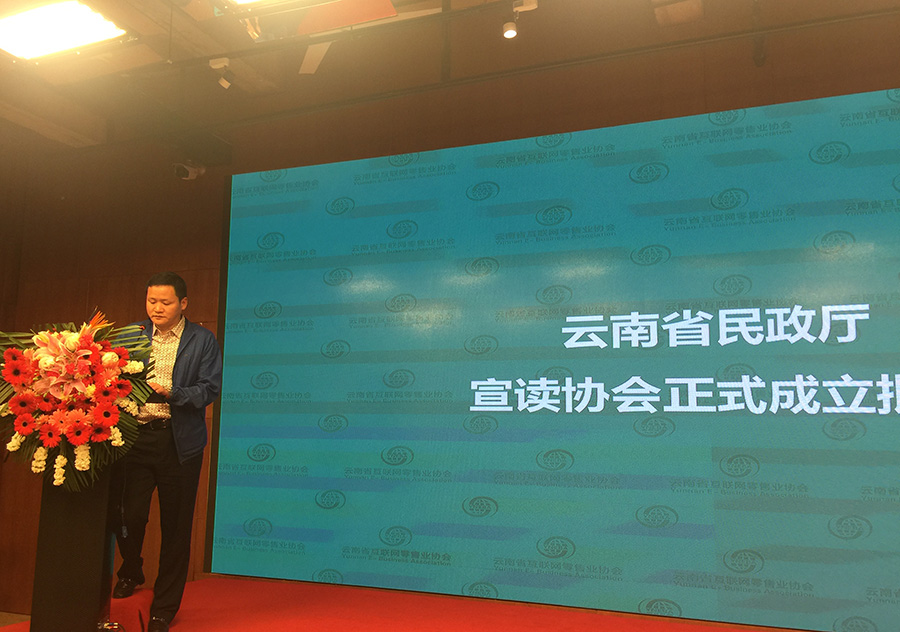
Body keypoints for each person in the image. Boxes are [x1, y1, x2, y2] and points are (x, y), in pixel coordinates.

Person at [112, 272, 222, 632]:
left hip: (179, 443)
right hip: (135, 438)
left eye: (165, 302)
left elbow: (209, 389)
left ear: (183, 303)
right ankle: (131, 569)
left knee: (176, 528)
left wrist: (172, 392)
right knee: (127, 516)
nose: (157, 308)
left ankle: (163, 608)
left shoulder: (202, 340)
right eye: (151, 301)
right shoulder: (130, 335)